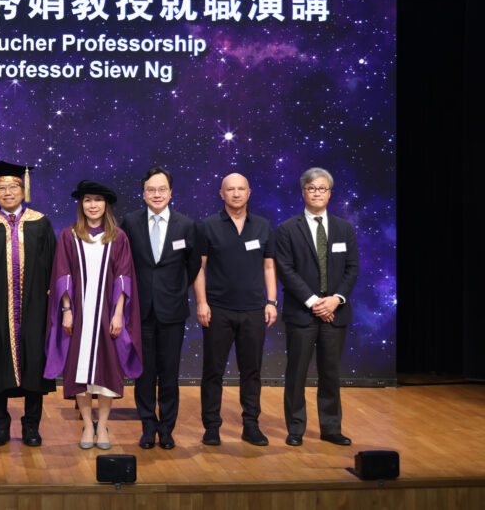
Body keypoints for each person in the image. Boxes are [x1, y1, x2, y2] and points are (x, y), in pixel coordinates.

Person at [0, 161, 56, 447]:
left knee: (34, 365)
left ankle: (31, 427)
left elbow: (54, 265)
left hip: (35, 309)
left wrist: (54, 303)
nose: (7, 192)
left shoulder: (40, 223)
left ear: (23, 189)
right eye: (1, 188)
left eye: (13, 187)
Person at [44, 180, 141, 450]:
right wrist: (66, 311)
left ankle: (103, 424)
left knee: (108, 372)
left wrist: (119, 313)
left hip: (107, 314)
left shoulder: (118, 237)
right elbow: (62, 274)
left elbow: (124, 277)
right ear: (81, 204)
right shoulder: (69, 235)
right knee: (81, 373)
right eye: (87, 200)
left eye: (98, 200)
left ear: (105, 204)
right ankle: (87, 424)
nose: (93, 205)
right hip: (79, 316)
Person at [275, 167, 359, 447]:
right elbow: (285, 270)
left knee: (331, 373)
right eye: (312, 188)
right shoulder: (287, 229)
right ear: (303, 192)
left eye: (322, 188)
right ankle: (296, 428)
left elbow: (352, 268)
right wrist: (314, 302)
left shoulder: (344, 228)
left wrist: (336, 299)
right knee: (297, 372)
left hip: (335, 312)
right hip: (302, 313)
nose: (317, 193)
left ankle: (331, 428)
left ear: (330, 193)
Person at [194, 172, 277, 447]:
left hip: (254, 309)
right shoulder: (208, 226)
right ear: (222, 194)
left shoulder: (263, 226)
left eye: (241, 188)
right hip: (218, 309)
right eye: (230, 189)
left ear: (249, 192)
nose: (236, 194)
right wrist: (202, 302)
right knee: (213, 371)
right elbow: (199, 268)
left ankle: (251, 425)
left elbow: (268, 266)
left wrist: (272, 301)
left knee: (251, 371)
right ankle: (212, 426)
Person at [120, 166, 200, 450]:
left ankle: (166, 429)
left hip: (172, 311)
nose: (157, 194)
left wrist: (175, 290)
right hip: (139, 312)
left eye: (162, 189)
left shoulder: (186, 225)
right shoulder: (129, 222)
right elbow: (122, 264)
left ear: (170, 192)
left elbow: (192, 266)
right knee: (143, 373)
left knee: (169, 373)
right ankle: (147, 427)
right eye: (151, 189)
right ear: (143, 193)